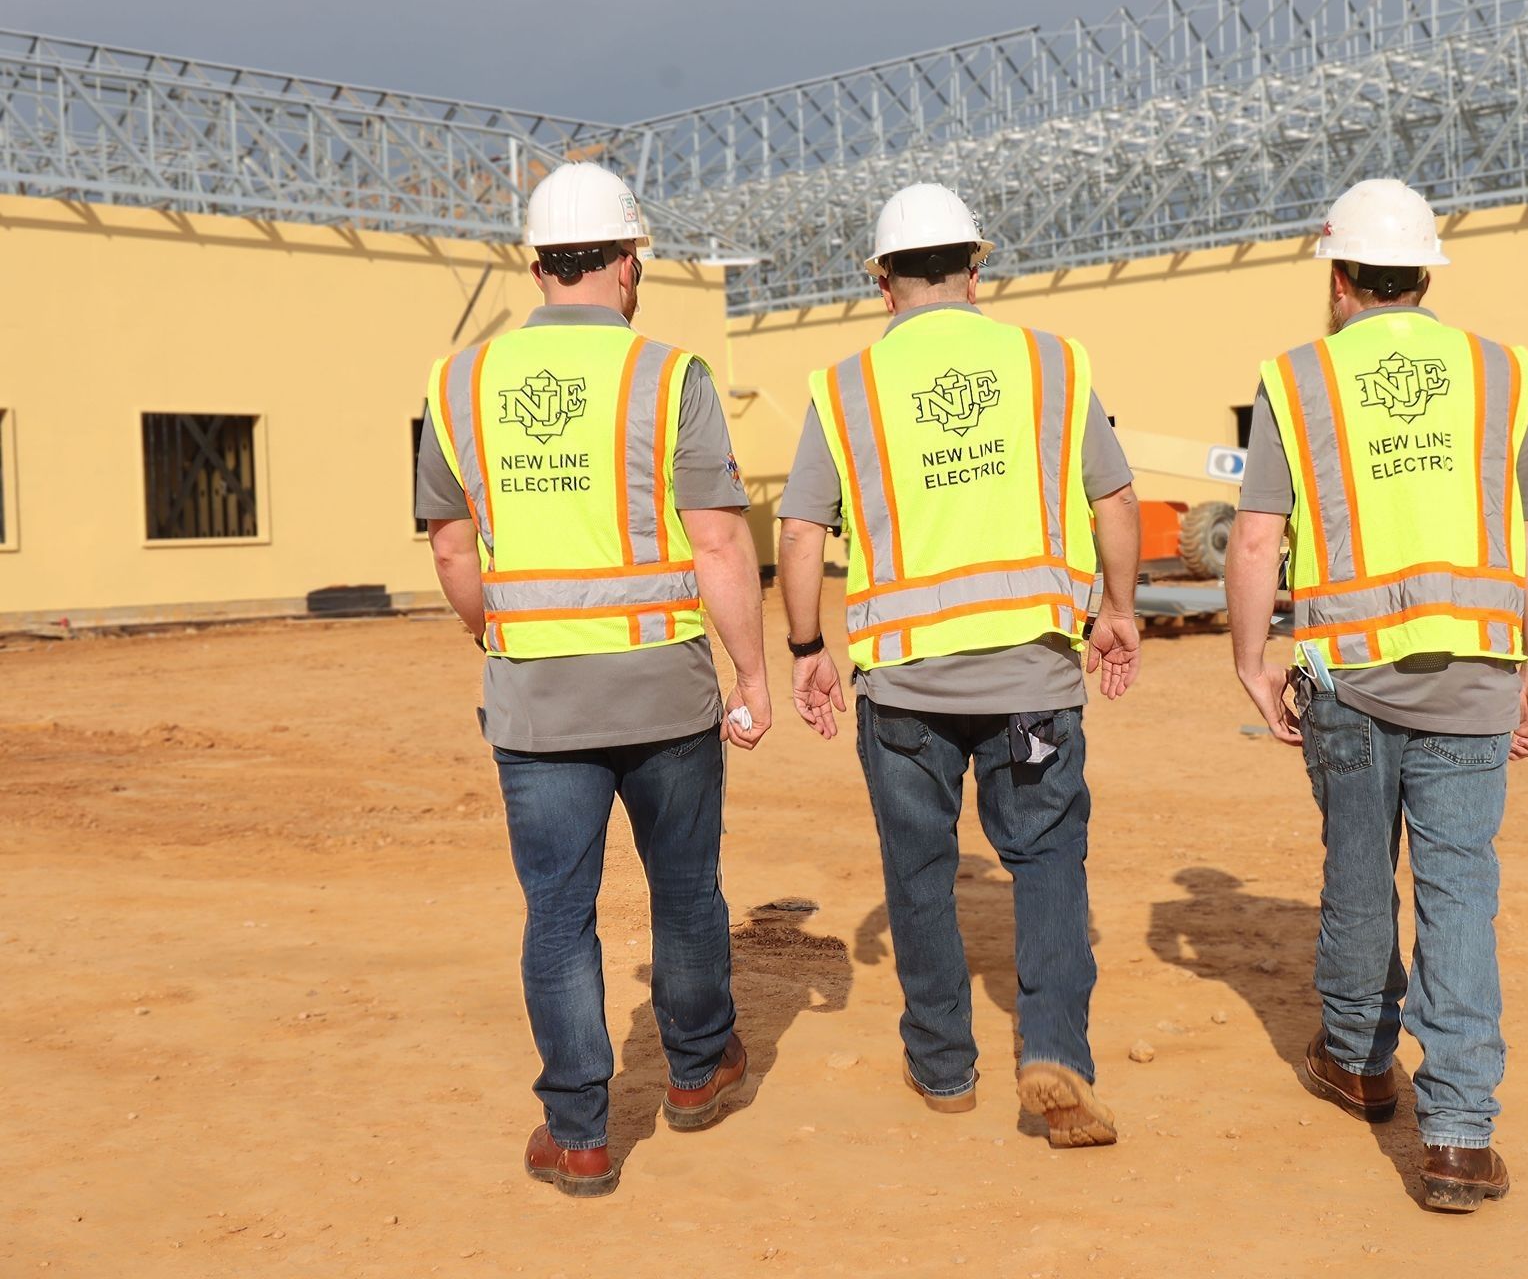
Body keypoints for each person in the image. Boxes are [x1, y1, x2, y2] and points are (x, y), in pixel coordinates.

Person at [416, 161, 770, 1198]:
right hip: (665, 687)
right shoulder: (671, 375)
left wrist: (501, 629)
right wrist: (750, 671)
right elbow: (716, 540)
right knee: (685, 888)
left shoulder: (460, 381)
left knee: (559, 914)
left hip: (537, 700)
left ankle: (578, 1131)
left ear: (535, 265)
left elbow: (448, 547)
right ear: (627, 262)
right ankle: (699, 1071)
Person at [1224, 178, 1528, 1212]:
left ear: (1337, 280)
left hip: (1348, 678)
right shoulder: (1503, 373)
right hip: (1476, 673)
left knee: (1359, 872)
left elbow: (1253, 536)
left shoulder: (1297, 379)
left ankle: (1363, 1063)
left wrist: (1254, 657)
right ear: (1426, 274)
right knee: (1461, 890)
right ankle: (1459, 1134)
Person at [775, 183, 1142, 1148]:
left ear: (882, 281)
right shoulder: (1052, 365)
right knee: (1048, 861)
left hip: (904, 691)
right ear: (977, 270)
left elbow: (802, 528)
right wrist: (1119, 609)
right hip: (1032, 679)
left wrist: (807, 647)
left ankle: (944, 1068)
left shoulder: (846, 388)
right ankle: (1055, 1047)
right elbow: (1113, 498)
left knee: (919, 870)